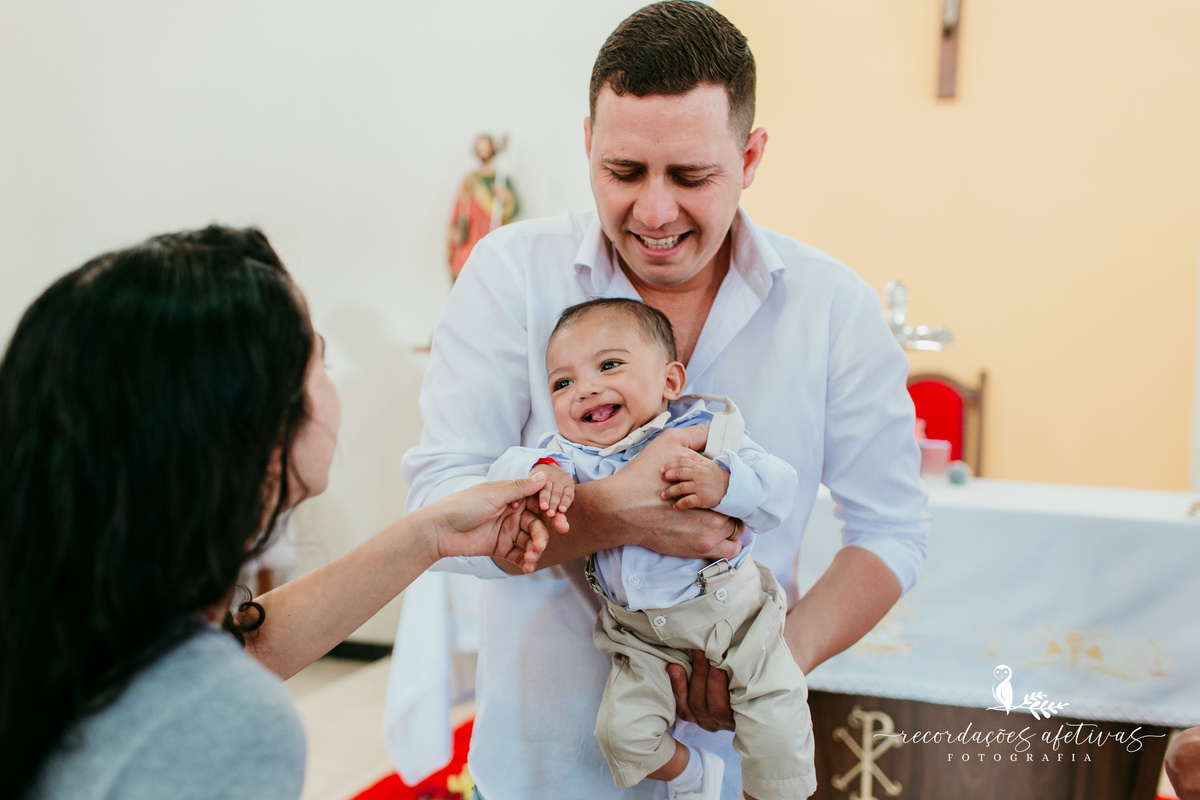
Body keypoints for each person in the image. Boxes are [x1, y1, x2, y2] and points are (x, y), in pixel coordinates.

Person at [400, 2, 930, 798]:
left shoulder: (832, 309)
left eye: (691, 176)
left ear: (749, 157)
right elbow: (439, 497)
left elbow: (890, 528)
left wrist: (785, 653)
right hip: (549, 765)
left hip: (746, 752)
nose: (653, 212)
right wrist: (618, 511)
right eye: (623, 172)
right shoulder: (512, 274)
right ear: (587, 145)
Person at [0, 225, 548, 800]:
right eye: (319, 363)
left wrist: (429, 534)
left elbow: (240, 647)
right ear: (257, 430)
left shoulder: (66, 629)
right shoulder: (224, 723)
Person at [486, 298, 813, 800]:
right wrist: (543, 474)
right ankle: (690, 776)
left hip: (735, 620)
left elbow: (780, 489)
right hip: (640, 639)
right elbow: (502, 478)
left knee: (776, 720)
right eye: (562, 383)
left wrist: (723, 483)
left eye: (609, 364)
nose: (586, 388)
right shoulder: (569, 456)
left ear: (670, 381)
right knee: (622, 736)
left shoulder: (705, 434)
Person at [447, 134, 519, 282]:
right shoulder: (470, 180)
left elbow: (516, 208)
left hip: (492, 234)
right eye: (480, 147)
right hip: (471, 238)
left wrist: (506, 196)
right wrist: (455, 231)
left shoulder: (502, 178)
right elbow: (459, 209)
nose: (483, 151)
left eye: (486, 147)